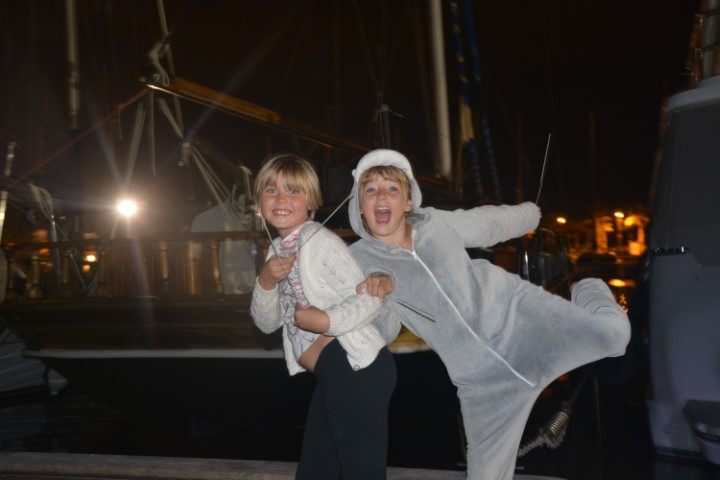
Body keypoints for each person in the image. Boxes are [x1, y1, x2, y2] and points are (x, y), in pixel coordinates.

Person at [347, 148, 631, 480]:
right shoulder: (358, 261)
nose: (381, 195)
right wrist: (375, 299)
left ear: (408, 202)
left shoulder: (436, 222)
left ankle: (588, 287)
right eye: (371, 190)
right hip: (482, 384)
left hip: (521, 321)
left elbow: (488, 223)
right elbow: (383, 332)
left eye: (392, 188)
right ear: (360, 206)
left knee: (616, 337)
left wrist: (529, 215)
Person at [250, 154, 399, 480]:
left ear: (311, 202)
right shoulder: (276, 250)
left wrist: (326, 322)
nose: (281, 199)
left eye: (293, 191)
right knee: (315, 471)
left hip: (355, 366)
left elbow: (370, 298)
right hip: (333, 373)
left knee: (362, 473)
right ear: (259, 200)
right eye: (271, 191)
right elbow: (266, 323)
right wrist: (265, 281)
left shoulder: (319, 241)